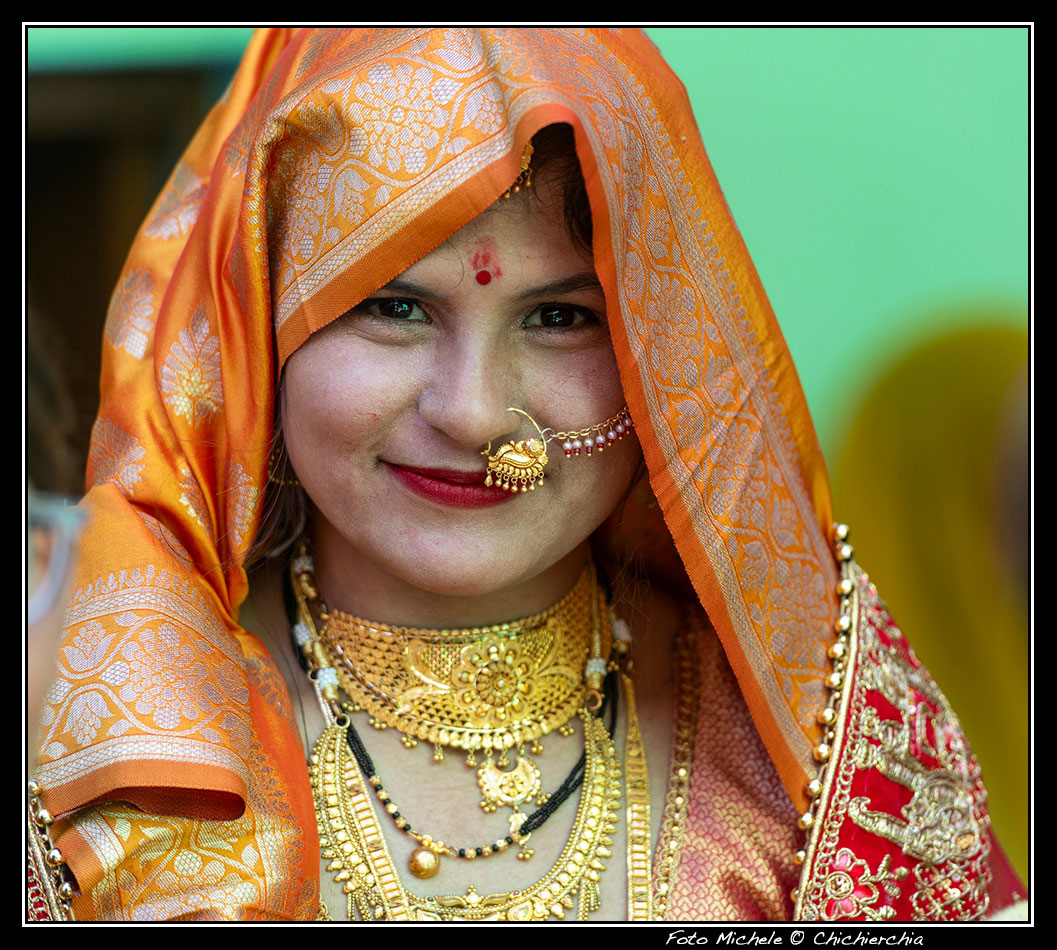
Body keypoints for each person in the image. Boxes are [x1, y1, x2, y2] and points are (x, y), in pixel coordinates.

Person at [29, 28, 1025, 922]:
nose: (471, 411)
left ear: (664, 356)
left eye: (559, 318)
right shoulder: (103, 733)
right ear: (256, 332)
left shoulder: (814, 754)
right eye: (393, 307)